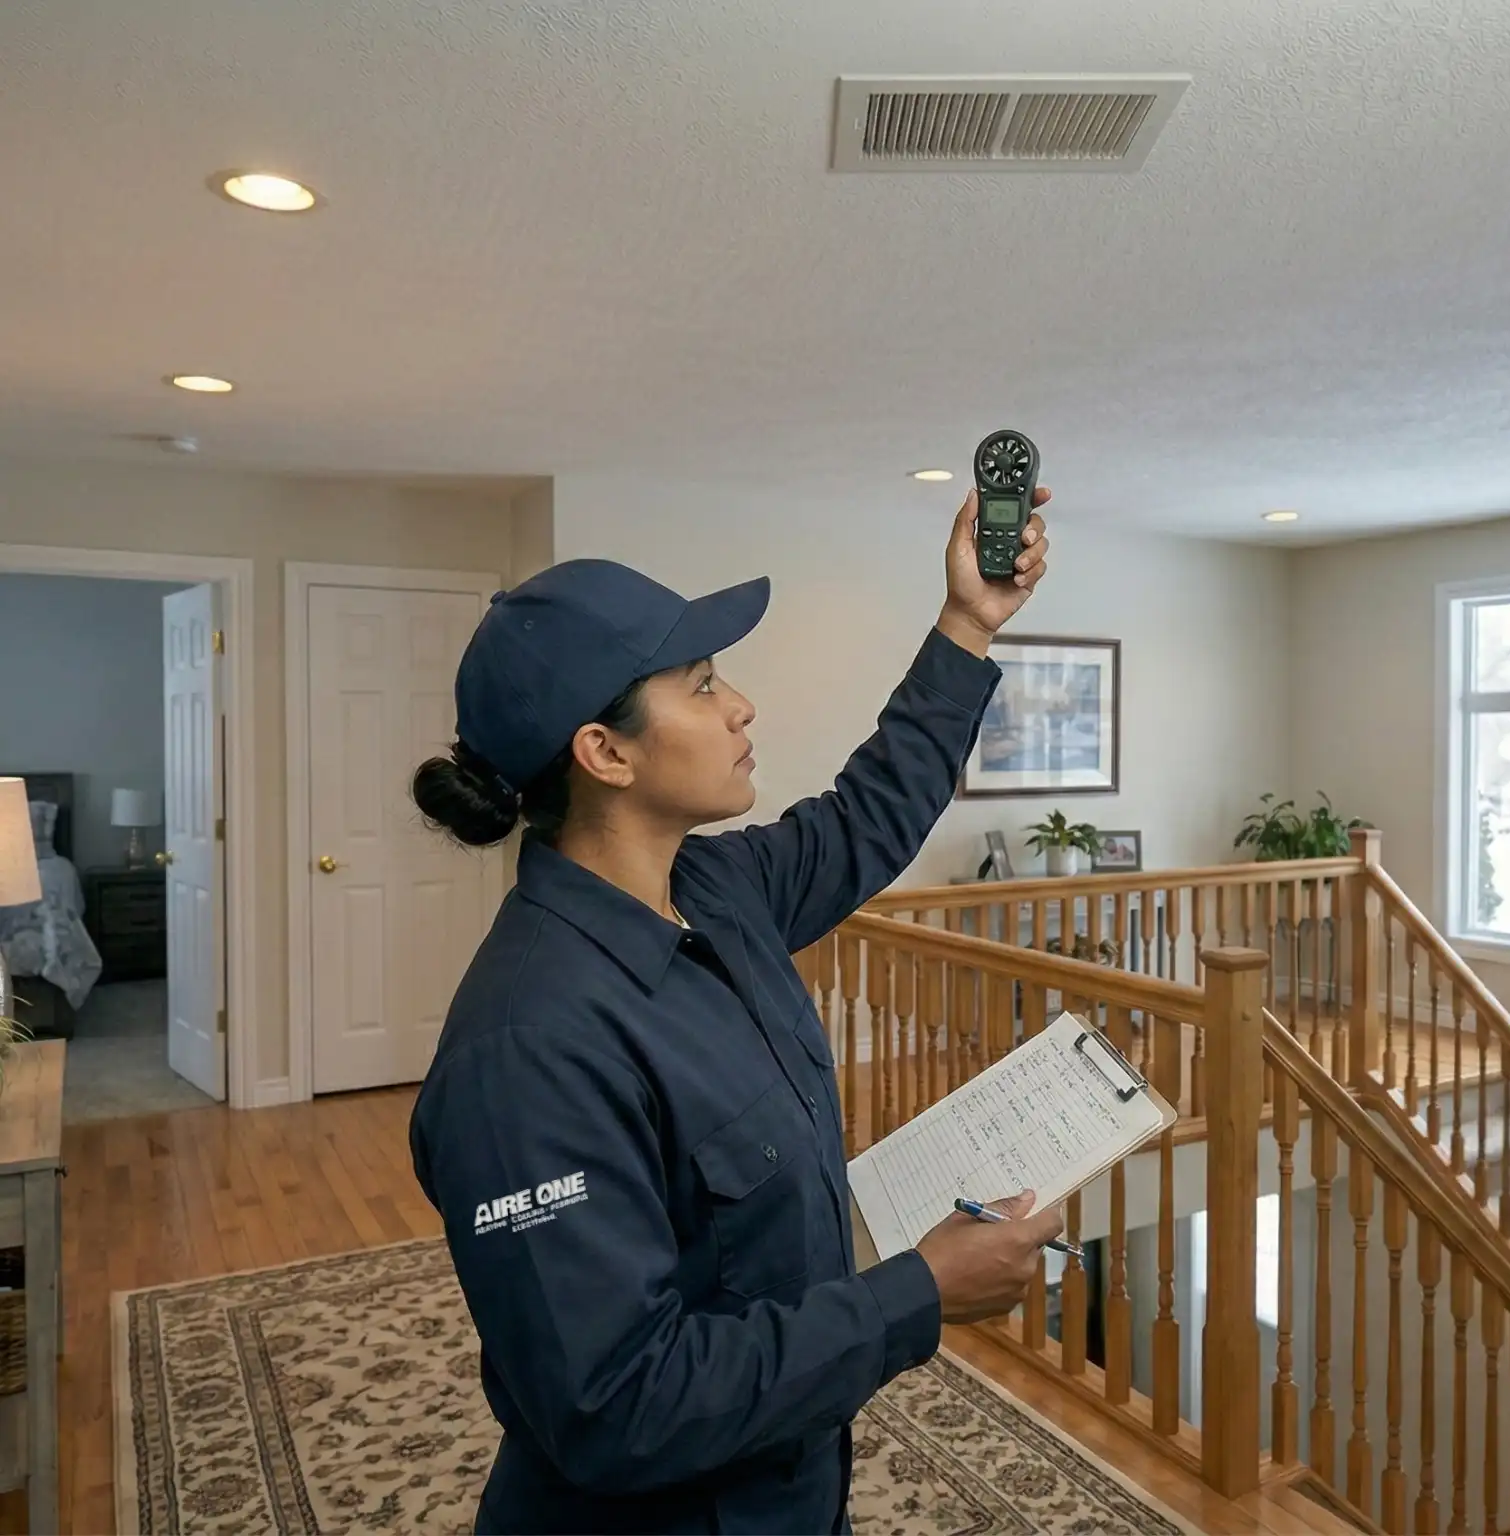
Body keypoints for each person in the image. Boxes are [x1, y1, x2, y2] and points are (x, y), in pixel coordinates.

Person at [406, 488, 1063, 1534]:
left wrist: (967, 622)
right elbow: (618, 1403)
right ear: (605, 753)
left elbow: (867, 815)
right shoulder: (527, 1051)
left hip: (789, 1486)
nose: (741, 705)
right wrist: (918, 1293)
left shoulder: (716, 890)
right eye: (704, 685)